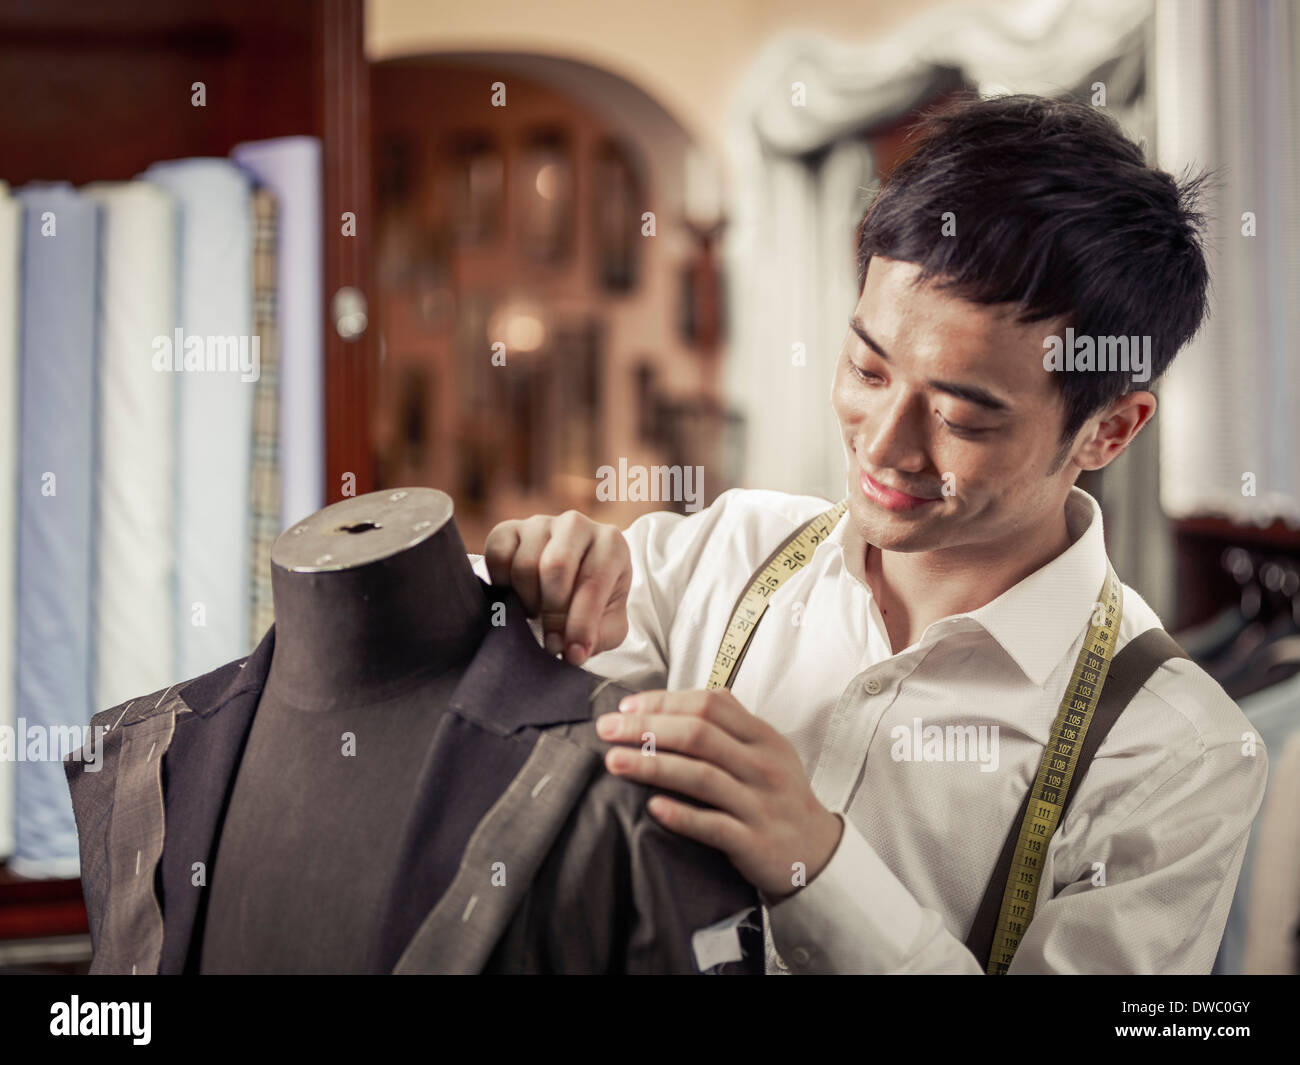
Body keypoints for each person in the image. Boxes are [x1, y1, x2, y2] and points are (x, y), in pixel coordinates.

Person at [475, 93, 1267, 974]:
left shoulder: (1178, 754)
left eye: (963, 416)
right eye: (865, 367)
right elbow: (468, 681)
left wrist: (819, 865)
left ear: (1109, 429)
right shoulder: (730, 551)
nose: (884, 446)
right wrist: (532, 582)